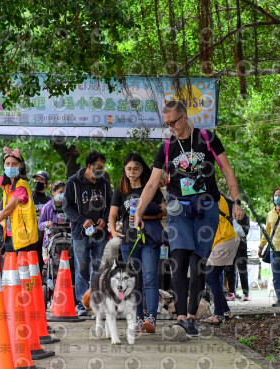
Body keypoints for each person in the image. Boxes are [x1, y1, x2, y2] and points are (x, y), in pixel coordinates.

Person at [133, 100, 245, 337]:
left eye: (173, 122)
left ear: (185, 118)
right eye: (167, 124)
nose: (170, 127)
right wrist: (138, 212)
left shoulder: (207, 138)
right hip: (178, 211)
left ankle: (191, 319)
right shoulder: (166, 148)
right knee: (178, 262)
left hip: (206, 209)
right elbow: (153, 183)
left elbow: (226, 169)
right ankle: (181, 318)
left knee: (198, 265)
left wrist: (236, 201)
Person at [109, 153, 166, 333]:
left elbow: (164, 211)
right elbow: (112, 214)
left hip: (149, 238)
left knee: (149, 277)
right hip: (129, 241)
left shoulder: (151, 188)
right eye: (129, 169)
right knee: (135, 280)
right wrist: (113, 230)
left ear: (142, 170)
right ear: (124, 171)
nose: (132, 172)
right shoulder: (120, 191)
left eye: (136, 169)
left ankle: (151, 318)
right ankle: (138, 317)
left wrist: (146, 215)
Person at [63, 151, 112, 316]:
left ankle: (99, 302)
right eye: (97, 168)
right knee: (82, 268)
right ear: (89, 166)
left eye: (102, 168)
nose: (100, 171)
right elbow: (66, 207)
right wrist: (82, 220)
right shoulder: (73, 183)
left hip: (100, 233)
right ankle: (82, 304)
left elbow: (111, 205)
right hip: (80, 233)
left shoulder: (104, 183)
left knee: (100, 268)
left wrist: (105, 219)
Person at [200, 196, 240, 325]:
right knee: (214, 276)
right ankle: (226, 312)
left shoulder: (212, 197)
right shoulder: (219, 198)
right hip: (229, 238)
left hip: (224, 239)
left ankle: (218, 314)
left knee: (210, 276)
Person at [223, 211, 250, 301]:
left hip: (241, 247)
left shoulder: (245, 217)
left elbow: (244, 232)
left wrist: (235, 223)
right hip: (230, 247)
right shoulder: (229, 216)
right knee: (230, 270)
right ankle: (231, 292)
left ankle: (246, 294)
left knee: (242, 271)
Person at [38, 180, 69, 248]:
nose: (63, 194)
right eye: (60, 192)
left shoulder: (69, 206)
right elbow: (40, 225)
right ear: (53, 192)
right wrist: (46, 223)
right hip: (50, 243)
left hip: (67, 241)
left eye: (64, 192)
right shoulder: (47, 207)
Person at [32, 170, 51, 271]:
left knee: (43, 262)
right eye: (36, 179)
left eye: (41, 180)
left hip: (45, 237)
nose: (37, 181)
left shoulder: (49, 200)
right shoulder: (28, 197)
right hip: (30, 235)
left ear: (46, 183)